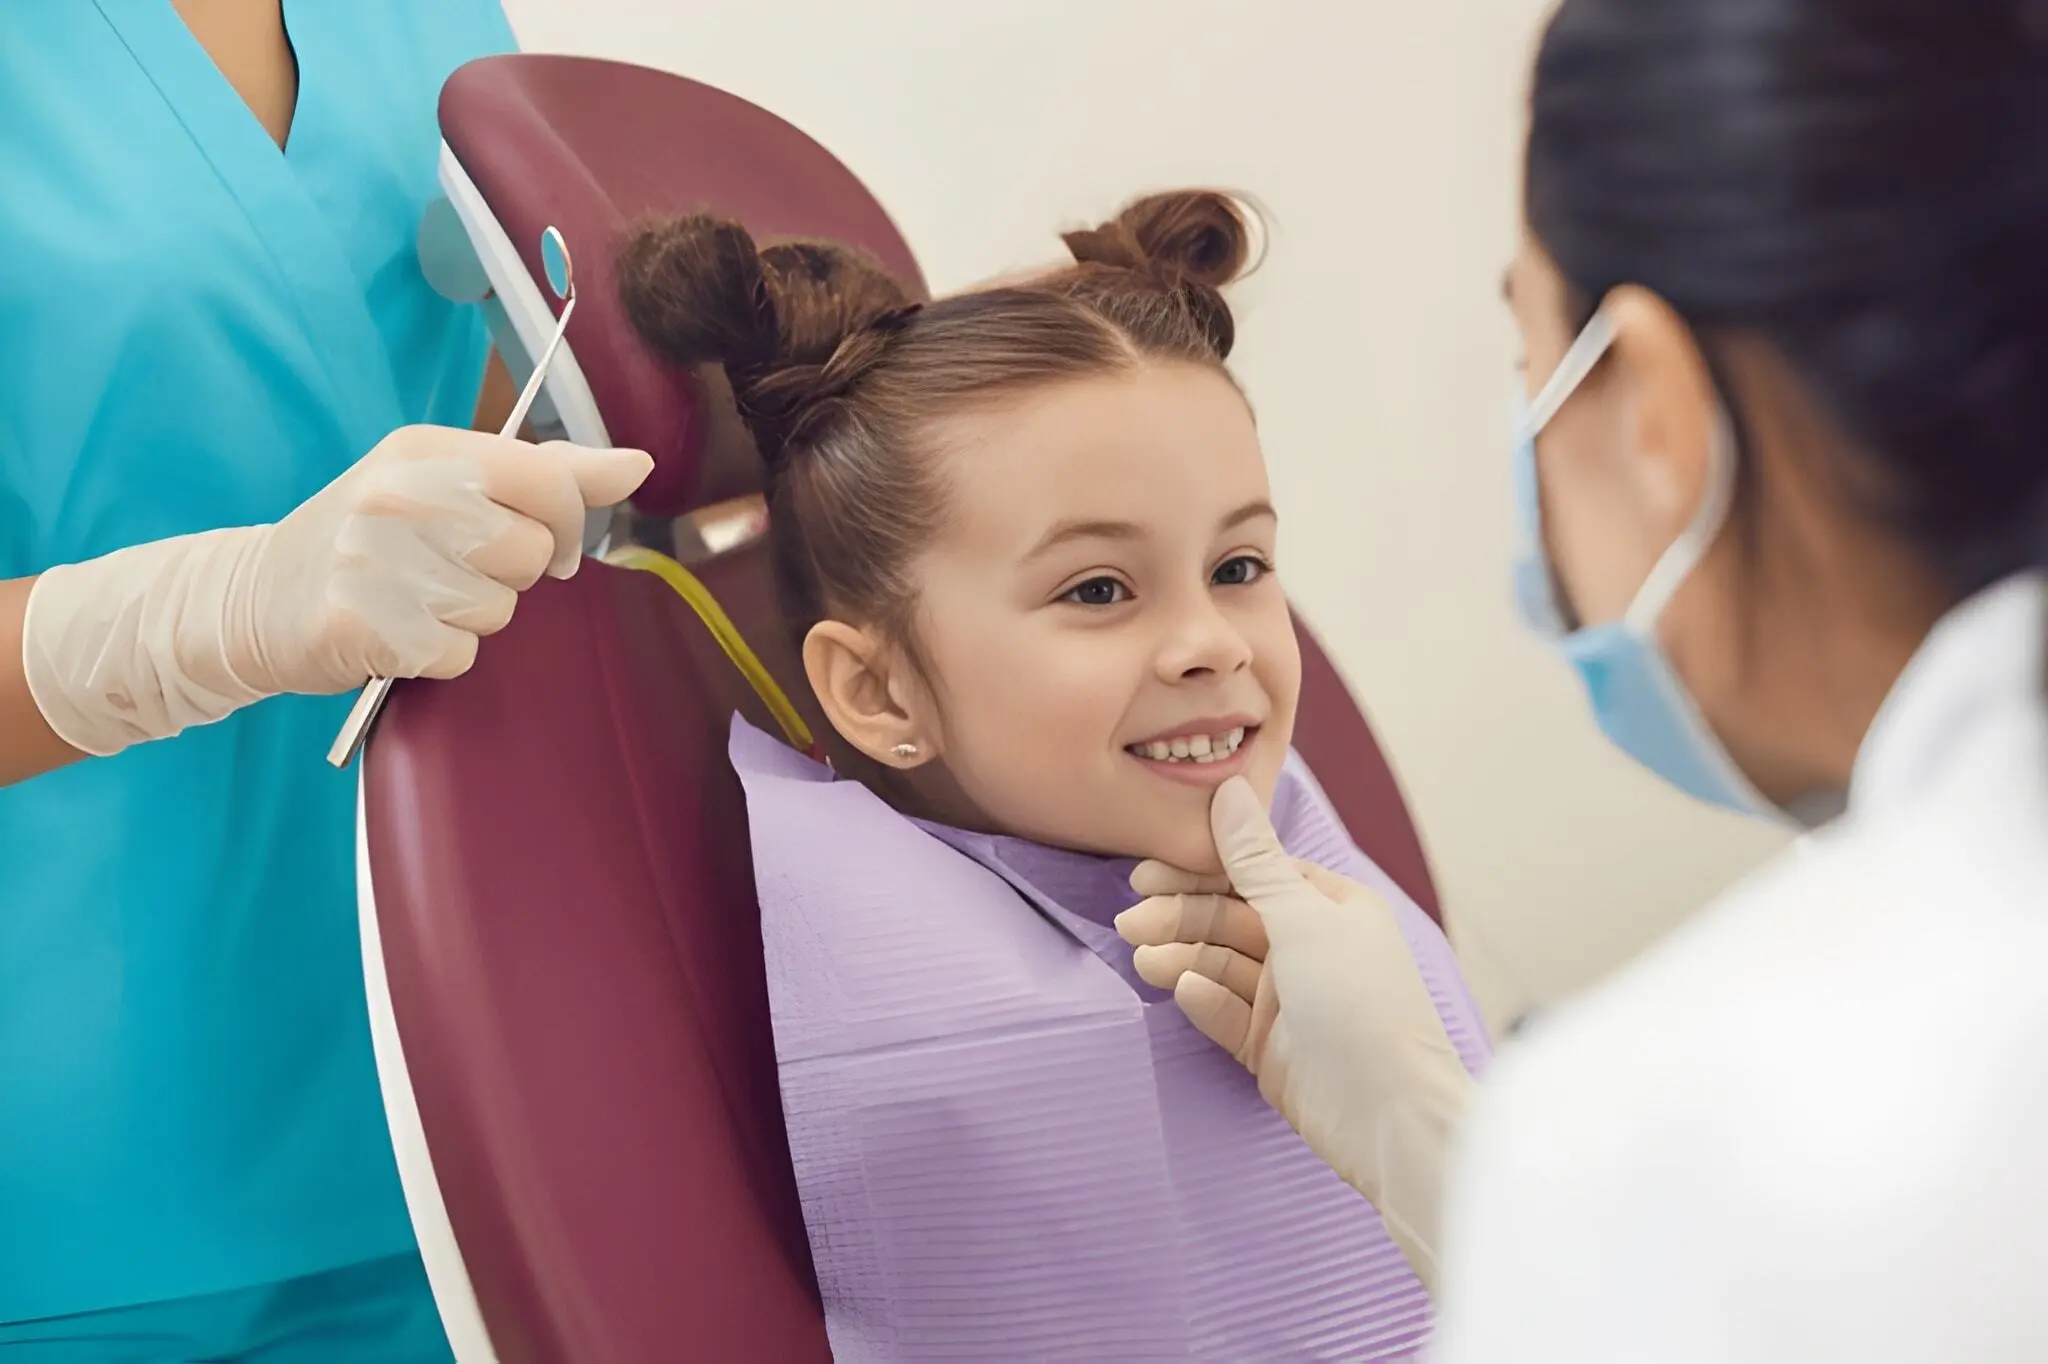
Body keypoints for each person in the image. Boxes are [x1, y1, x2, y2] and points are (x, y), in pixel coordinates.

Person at [1116, 0, 2048, 1358]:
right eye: (1097, 590)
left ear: (1655, 416)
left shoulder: (1698, 1127)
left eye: (1532, 362)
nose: (1204, 645)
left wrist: (1518, 1173)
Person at [615, 192, 1491, 1357]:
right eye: (1096, 589)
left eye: (1237, 563)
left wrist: (1419, 1122)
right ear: (879, 693)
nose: (1212, 641)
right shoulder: (960, 1044)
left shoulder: (1312, 887)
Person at [0, 5, 650, 1358]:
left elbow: (479, 458)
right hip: (90, 1191)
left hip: (472, 1103)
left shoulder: (426, 18)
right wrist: (217, 611)